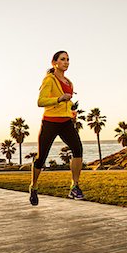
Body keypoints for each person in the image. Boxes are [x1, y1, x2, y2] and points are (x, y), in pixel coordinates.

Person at [29, 50, 84, 206]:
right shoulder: (49, 80)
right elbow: (41, 101)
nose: (66, 62)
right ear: (54, 63)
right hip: (50, 123)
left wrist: (71, 109)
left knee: (78, 149)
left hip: (66, 122)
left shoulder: (69, 82)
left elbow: (67, 103)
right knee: (41, 158)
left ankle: (74, 186)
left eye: (68, 59)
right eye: (62, 59)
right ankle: (33, 186)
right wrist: (60, 98)